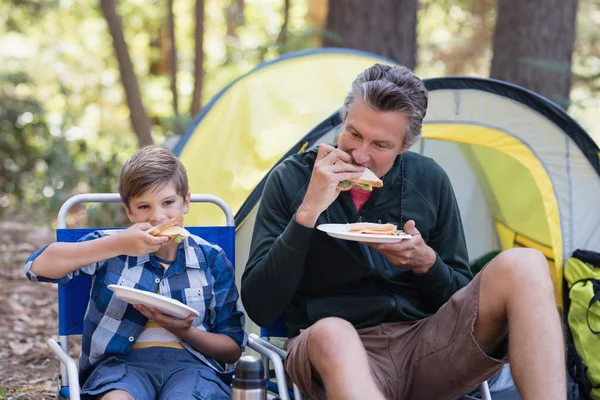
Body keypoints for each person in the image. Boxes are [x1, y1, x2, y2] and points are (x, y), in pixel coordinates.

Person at [241, 64, 565, 400]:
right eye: (353, 133)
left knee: (526, 264)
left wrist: (427, 263)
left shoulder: (428, 180)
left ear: (405, 146)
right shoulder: (292, 179)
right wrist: (308, 211)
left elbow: (458, 296)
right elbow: (261, 307)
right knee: (334, 334)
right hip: (330, 348)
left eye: (380, 144)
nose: (360, 153)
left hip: (424, 345)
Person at [25, 145, 246, 400]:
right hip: (121, 366)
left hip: (193, 366)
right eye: (144, 207)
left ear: (186, 202)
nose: (158, 217)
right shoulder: (110, 246)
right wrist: (118, 244)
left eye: (168, 203)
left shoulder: (210, 258)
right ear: (129, 211)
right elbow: (36, 267)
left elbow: (232, 349)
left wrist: (184, 331)